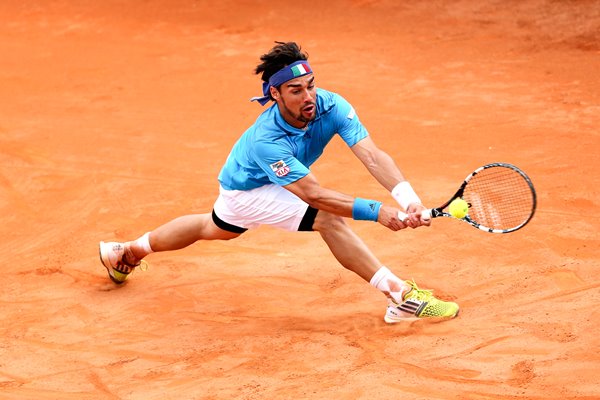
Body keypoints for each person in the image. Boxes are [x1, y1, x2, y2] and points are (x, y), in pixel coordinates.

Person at [99, 41, 459, 323]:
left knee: (213, 227)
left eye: (311, 86)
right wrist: (379, 212)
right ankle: (400, 298)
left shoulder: (331, 106)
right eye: (296, 91)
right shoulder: (266, 140)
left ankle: (128, 250)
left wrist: (407, 197)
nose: (309, 98)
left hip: (249, 184)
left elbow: (372, 155)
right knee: (327, 218)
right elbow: (313, 195)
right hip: (247, 190)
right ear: (275, 94)